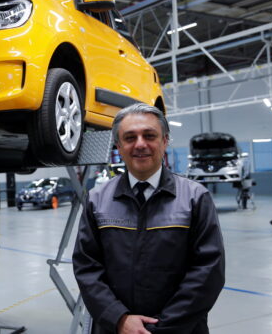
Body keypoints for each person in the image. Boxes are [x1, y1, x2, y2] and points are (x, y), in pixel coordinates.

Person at [72, 103, 225, 334]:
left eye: (149, 135)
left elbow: (208, 272)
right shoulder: (96, 200)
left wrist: (161, 328)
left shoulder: (194, 197)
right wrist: (119, 318)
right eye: (130, 137)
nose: (140, 144)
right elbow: (87, 268)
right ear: (119, 146)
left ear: (164, 141)